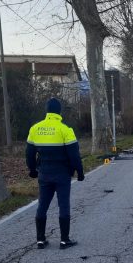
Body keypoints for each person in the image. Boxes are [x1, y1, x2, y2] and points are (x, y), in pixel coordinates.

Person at [26, 98, 84, 249]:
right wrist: (80, 172)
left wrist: (32, 170)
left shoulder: (35, 129)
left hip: (44, 173)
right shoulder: (65, 129)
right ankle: (64, 240)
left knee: (42, 205)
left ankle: (40, 239)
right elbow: (74, 155)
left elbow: (29, 154)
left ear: (46, 110)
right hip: (62, 174)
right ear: (59, 111)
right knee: (63, 205)